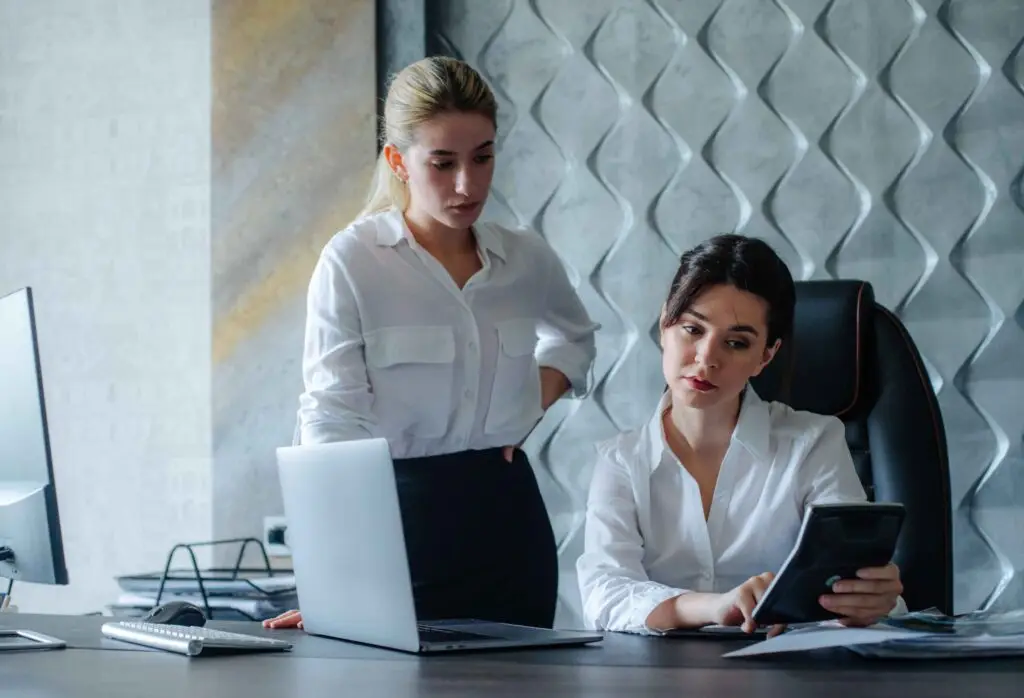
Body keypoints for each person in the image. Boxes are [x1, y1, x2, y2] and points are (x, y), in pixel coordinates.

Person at [264, 56, 599, 631]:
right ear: (399, 161)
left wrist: (523, 411)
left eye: (483, 157)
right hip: (396, 523)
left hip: (508, 519)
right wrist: (329, 576)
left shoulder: (526, 258)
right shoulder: (353, 262)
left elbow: (574, 340)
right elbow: (329, 418)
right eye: (442, 164)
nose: (467, 184)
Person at [575, 234, 905, 637]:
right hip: (660, 678)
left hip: (787, 678)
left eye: (736, 342)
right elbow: (604, 595)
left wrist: (868, 599)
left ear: (765, 356)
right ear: (664, 324)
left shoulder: (814, 443)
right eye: (692, 329)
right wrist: (714, 607)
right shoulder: (622, 461)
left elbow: (852, 581)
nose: (706, 359)